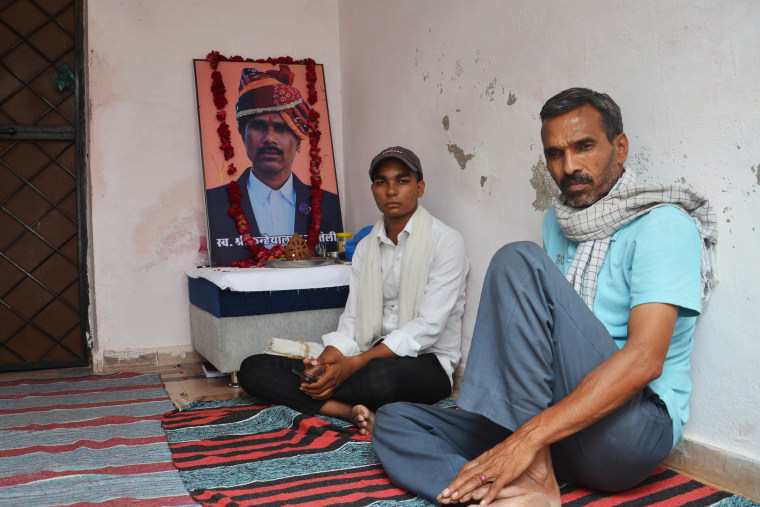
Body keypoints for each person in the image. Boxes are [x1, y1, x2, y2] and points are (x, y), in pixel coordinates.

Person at [372, 88, 718, 506]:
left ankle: (534, 472)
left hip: (630, 431)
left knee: (516, 260)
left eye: (584, 146)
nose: (569, 166)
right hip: (562, 429)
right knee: (394, 421)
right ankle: (505, 495)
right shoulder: (559, 223)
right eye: (555, 154)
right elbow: (540, 341)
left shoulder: (661, 224)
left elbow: (645, 359)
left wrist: (525, 441)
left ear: (620, 147)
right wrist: (521, 435)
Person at [238, 146, 469, 435]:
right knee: (252, 367)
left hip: (426, 364)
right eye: (382, 182)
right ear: (373, 189)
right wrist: (324, 365)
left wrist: (351, 365)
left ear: (420, 187)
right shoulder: (365, 248)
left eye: (402, 180)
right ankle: (345, 410)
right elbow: (352, 320)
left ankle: (316, 395)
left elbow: (428, 328)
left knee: (379, 379)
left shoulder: (447, 242)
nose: (392, 190)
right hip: (366, 354)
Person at [205, 66, 342, 266]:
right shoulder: (215, 203)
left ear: (299, 140)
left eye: (281, 128)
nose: (270, 139)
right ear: (242, 134)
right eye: (259, 127)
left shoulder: (328, 206)